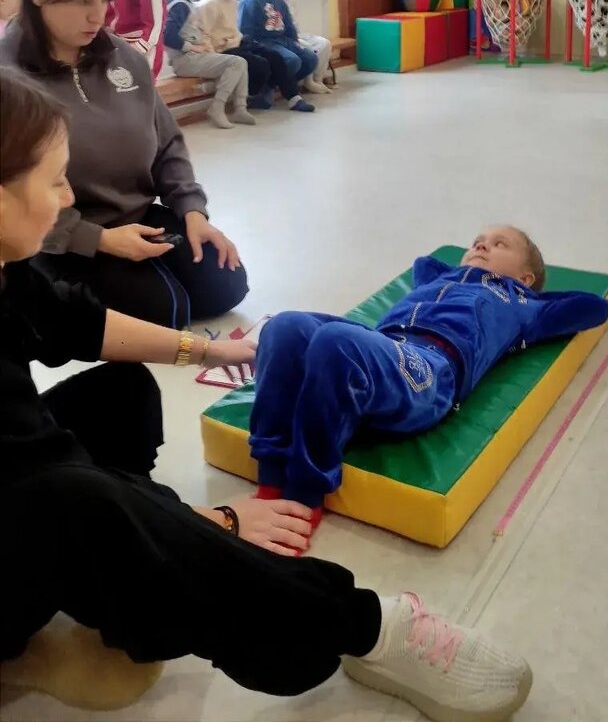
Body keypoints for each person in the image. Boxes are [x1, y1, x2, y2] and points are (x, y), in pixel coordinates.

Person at [0, 65, 534, 722]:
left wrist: (215, 349)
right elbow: (37, 467)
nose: (67, 197)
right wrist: (215, 523)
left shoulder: (8, 269)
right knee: (75, 498)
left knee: (123, 392)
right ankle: (362, 626)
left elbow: (76, 322)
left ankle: (123, 571)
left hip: (26, 501)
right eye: (54, 179)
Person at [250, 226, 608, 541]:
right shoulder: (440, 279)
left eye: (500, 244)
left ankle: (302, 498)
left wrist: (530, 295)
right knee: (285, 326)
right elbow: (424, 263)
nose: (481, 245)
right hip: (383, 345)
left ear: (526, 277)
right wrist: (464, 270)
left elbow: (595, 307)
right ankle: (271, 477)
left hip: (430, 369)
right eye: (477, 241)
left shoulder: (525, 306)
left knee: (335, 342)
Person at [0, 0, 248, 329]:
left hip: (139, 214)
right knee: (165, 311)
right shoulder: (9, 78)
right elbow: (11, 195)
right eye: (83, 1)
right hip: (60, 233)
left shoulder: (122, 58)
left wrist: (192, 212)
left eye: (104, 0)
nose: (97, 16)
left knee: (226, 285)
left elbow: (168, 143)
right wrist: (96, 239)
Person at [198, 0, 314, 114]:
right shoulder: (210, 4)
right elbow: (203, 34)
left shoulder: (233, 2)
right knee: (261, 63)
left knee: (275, 57)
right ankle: (256, 96)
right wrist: (213, 55)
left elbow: (235, 30)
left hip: (237, 43)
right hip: (222, 50)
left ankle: (293, 98)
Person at [164, 0, 255, 130]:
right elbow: (167, 35)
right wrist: (193, 47)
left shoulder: (179, 0)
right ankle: (217, 108)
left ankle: (240, 108)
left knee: (240, 62)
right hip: (185, 60)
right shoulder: (179, 4)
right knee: (237, 63)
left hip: (191, 57)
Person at [239, 0, 318, 111]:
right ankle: (272, 89)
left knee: (310, 58)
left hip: (282, 41)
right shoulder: (251, 0)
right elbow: (245, 30)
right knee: (292, 60)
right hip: (264, 43)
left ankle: (274, 84)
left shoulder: (279, 0)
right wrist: (253, 48)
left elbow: (288, 24)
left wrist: (294, 41)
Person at [280, 0, 333, 93]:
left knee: (325, 44)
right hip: (283, 38)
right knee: (306, 49)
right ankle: (308, 82)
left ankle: (318, 79)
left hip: (296, 34)